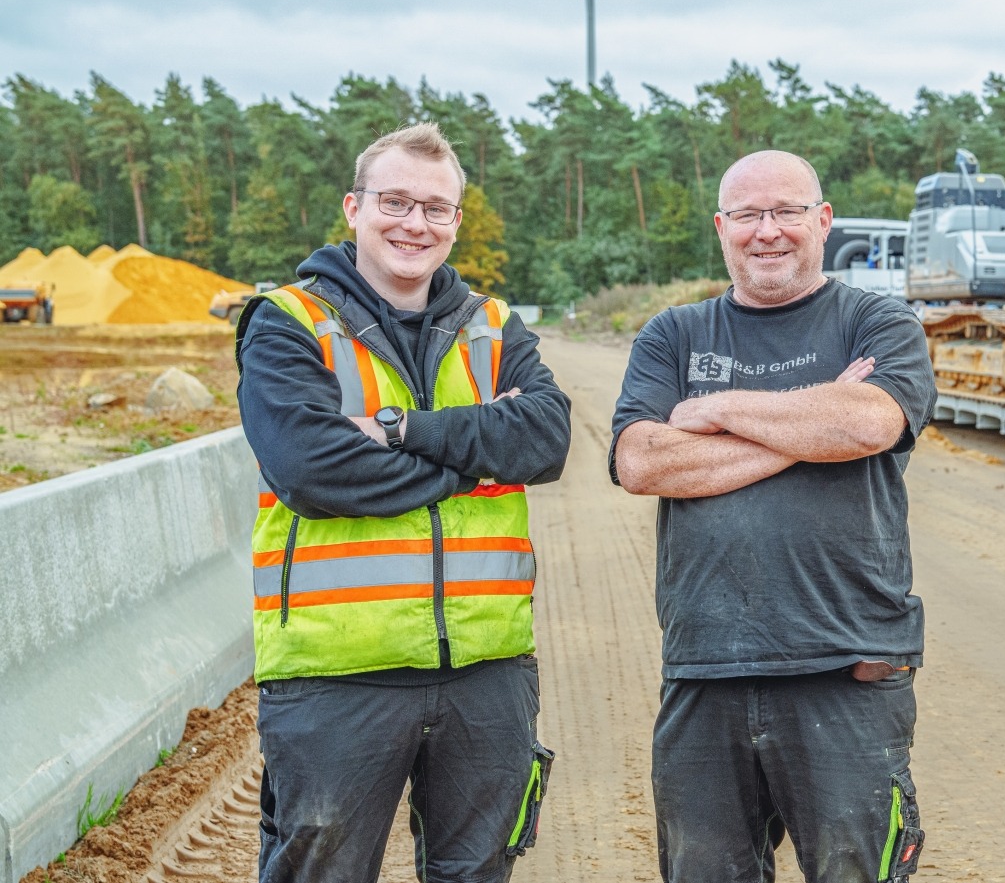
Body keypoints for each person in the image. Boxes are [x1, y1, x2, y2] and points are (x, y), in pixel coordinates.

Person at [235, 122, 571, 883]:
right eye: (395, 201)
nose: (414, 223)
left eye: (436, 208)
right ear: (354, 208)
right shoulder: (289, 323)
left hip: (488, 668)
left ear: (456, 221)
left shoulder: (491, 325)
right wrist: (475, 462)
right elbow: (313, 469)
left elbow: (545, 440)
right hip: (336, 673)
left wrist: (397, 429)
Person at [610, 149, 938, 883]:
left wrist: (717, 410)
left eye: (787, 211)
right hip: (704, 672)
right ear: (721, 227)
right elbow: (642, 462)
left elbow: (865, 426)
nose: (768, 232)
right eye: (748, 215)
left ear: (822, 221)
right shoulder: (675, 334)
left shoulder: (876, 321)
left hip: (847, 668)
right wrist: (808, 427)